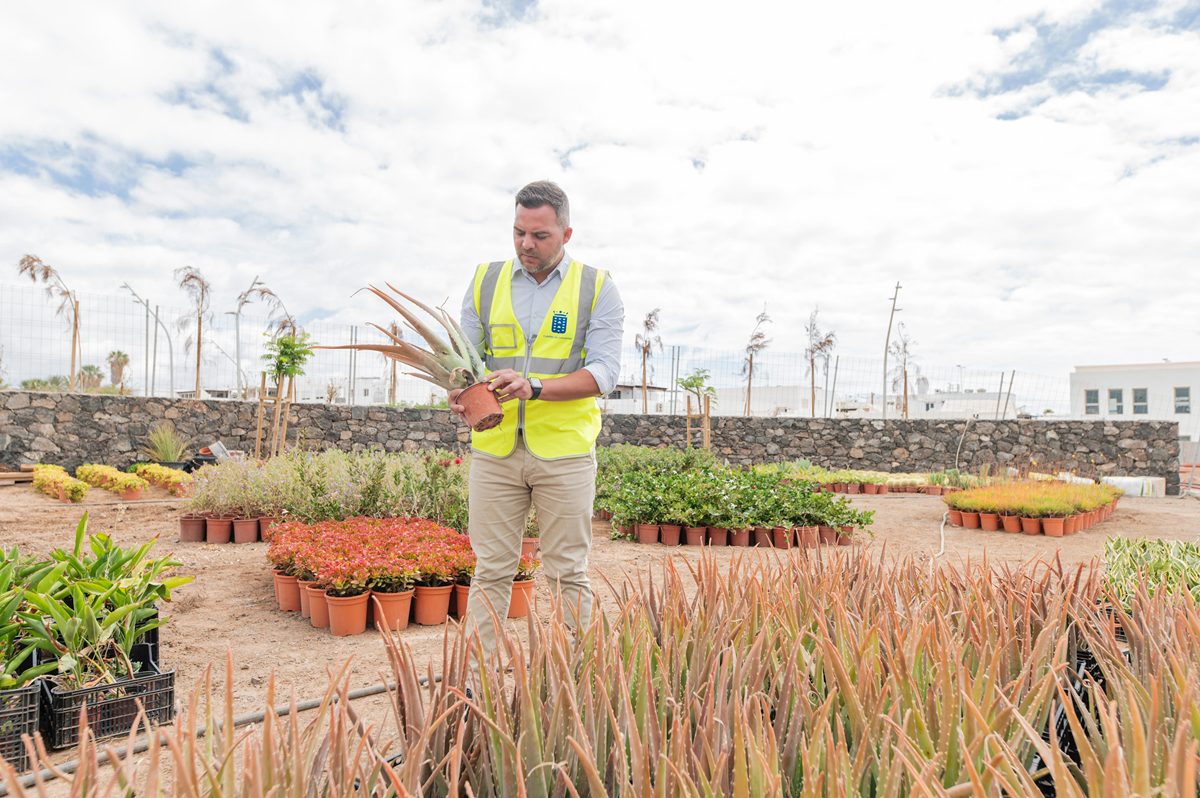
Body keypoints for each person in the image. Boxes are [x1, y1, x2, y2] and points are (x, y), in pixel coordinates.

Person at [450, 180, 624, 654]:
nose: (527, 244)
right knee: (490, 569)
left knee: (569, 569)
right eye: (518, 232)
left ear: (566, 235)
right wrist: (458, 387)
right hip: (495, 450)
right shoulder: (486, 280)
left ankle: (585, 674)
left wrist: (537, 388)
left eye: (540, 235)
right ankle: (475, 684)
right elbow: (464, 357)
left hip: (564, 452)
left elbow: (606, 371)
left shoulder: (595, 286)